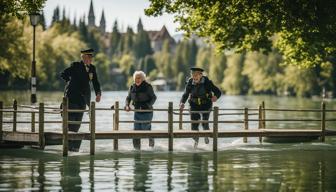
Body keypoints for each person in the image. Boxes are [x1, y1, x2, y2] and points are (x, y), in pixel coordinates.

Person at [60, 48, 101, 152]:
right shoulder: (76, 65)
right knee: (70, 124)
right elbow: (63, 74)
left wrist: (98, 93)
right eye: (87, 57)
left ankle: (73, 148)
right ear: (83, 57)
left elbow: (95, 82)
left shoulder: (92, 68)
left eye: (91, 57)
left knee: (77, 125)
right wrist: (70, 83)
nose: (89, 59)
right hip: (72, 99)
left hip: (83, 100)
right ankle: (68, 148)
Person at [179, 67, 221, 148]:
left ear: (201, 75)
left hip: (206, 104)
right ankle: (196, 142)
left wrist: (216, 97)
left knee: (204, 122)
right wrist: (182, 103)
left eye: (196, 75)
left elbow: (218, 92)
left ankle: (206, 135)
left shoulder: (207, 82)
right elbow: (185, 94)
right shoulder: (190, 82)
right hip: (194, 104)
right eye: (192, 75)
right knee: (194, 124)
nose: (194, 77)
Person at [125, 71, 157, 150]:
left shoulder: (148, 86)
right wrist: (127, 105)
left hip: (147, 112)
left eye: (139, 78)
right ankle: (137, 149)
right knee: (136, 131)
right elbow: (128, 98)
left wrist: (147, 105)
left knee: (144, 128)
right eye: (136, 78)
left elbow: (154, 98)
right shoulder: (132, 87)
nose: (137, 80)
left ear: (143, 79)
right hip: (137, 112)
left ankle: (151, 143)